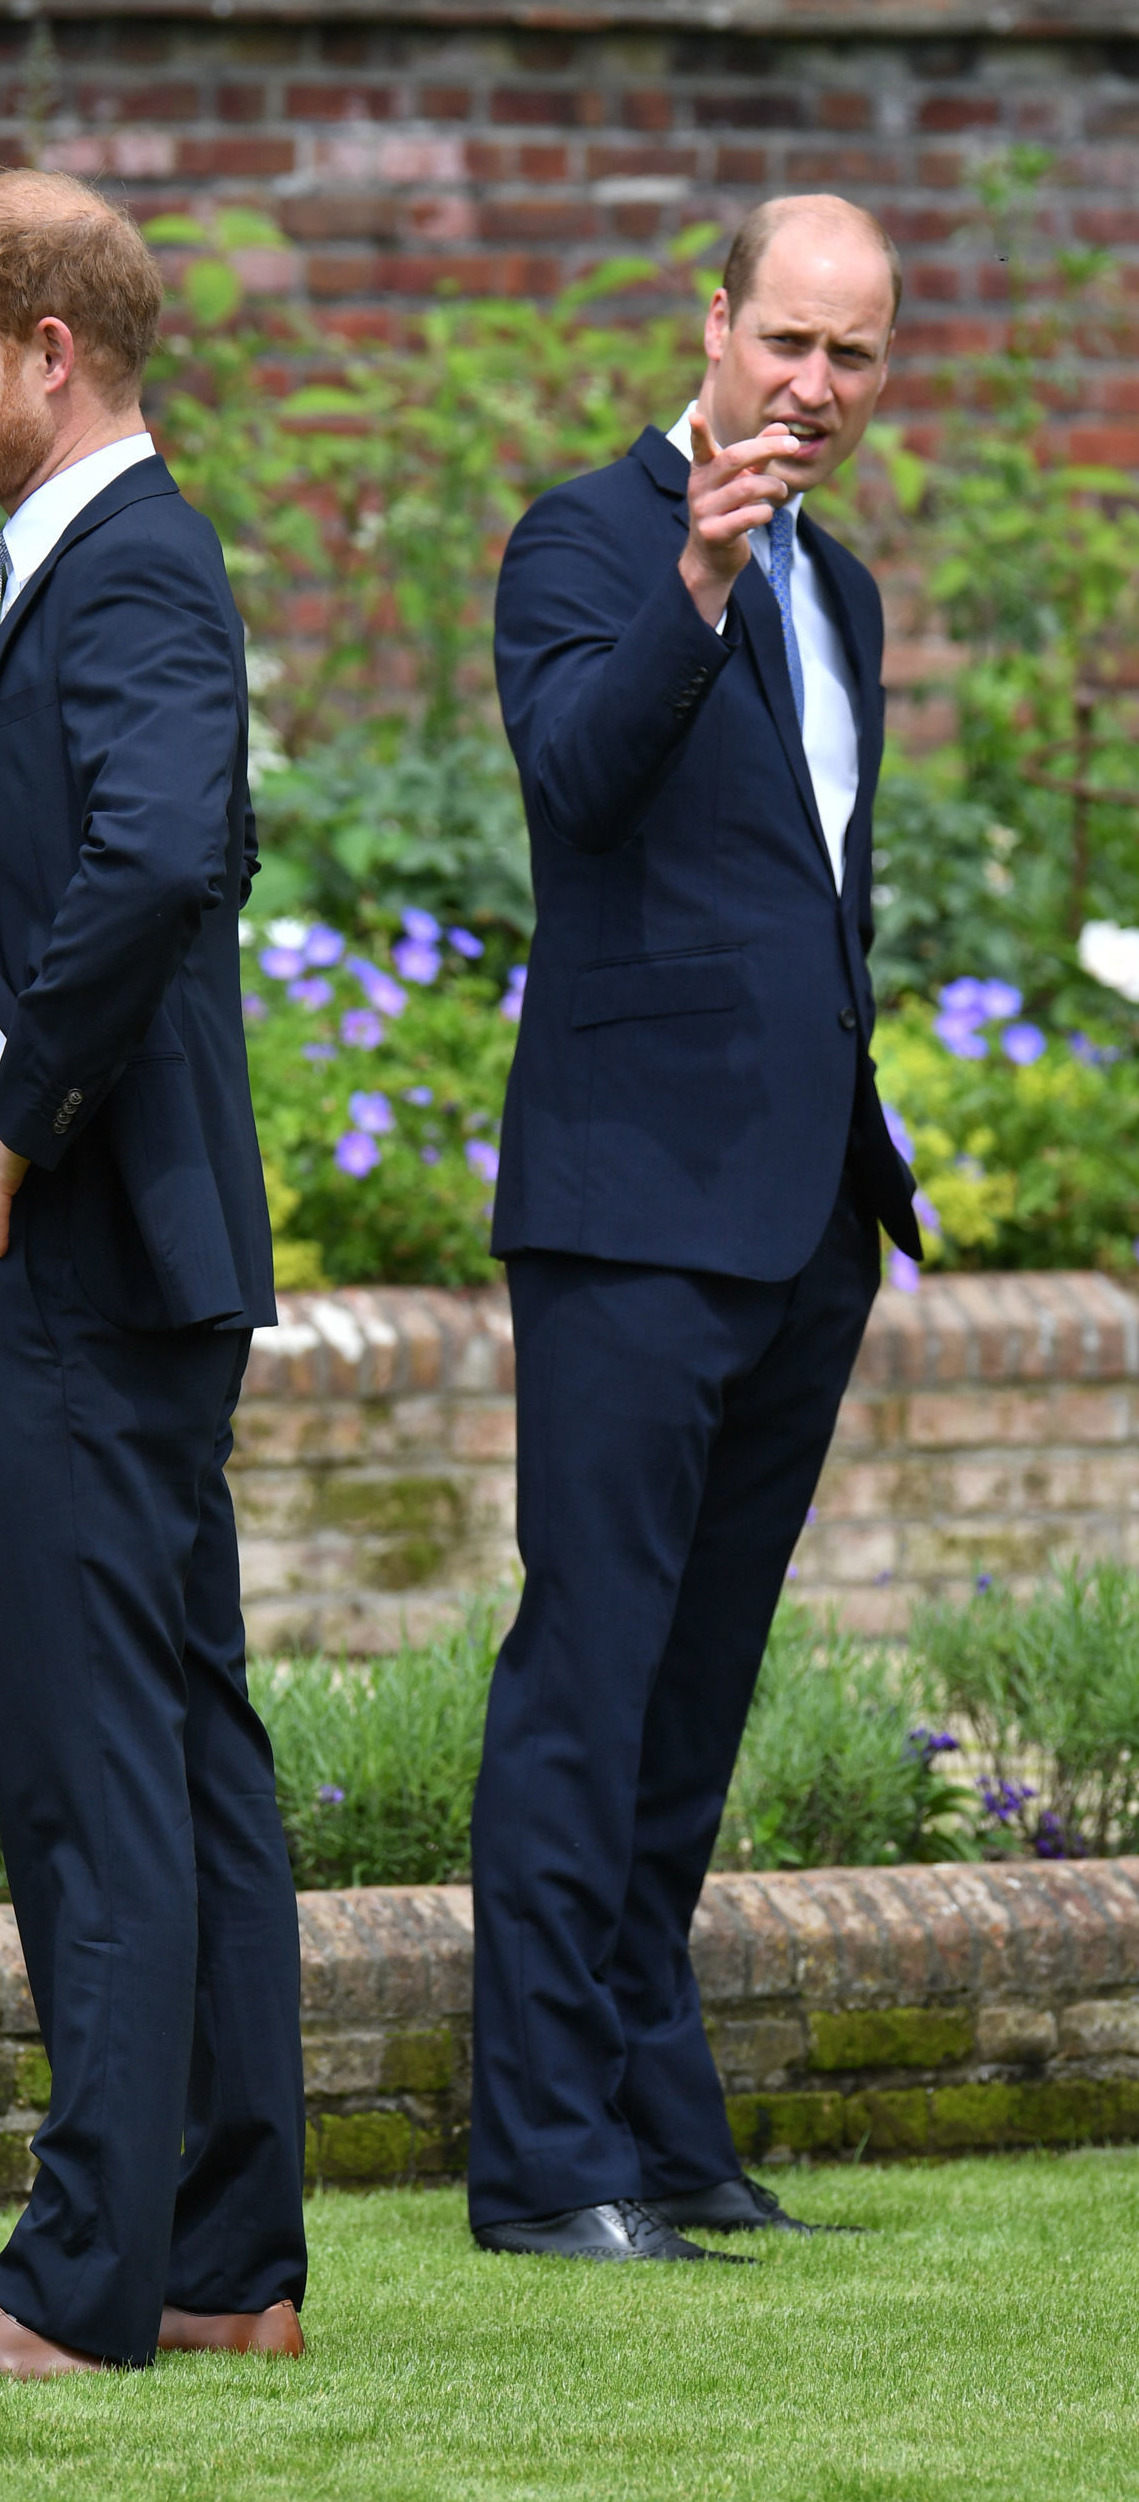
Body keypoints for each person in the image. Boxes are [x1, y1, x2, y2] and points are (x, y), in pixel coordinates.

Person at [0, 169, 308, 2377]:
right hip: (109, 1230)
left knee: (91, 1768)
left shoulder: (122, 565)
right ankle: (220, 2272)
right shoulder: (100, 560)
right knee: (182, 1751)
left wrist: (24, 1109)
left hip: (77, 1233)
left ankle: (80, 2289)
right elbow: (178, 831)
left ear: (47, 355)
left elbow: (166, 846)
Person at [470, 194, 921, 2263]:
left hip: (801, 1215)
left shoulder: (851, 595)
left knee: (694, 1697)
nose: (811, 388)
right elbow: (574, 779)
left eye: (852, 357)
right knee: (590, 1672)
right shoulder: (588, 537)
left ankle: (656, 2122)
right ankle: (543, 2154)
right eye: (785, 344)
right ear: (713, 321)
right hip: (630, 1216)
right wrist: (697, 579)